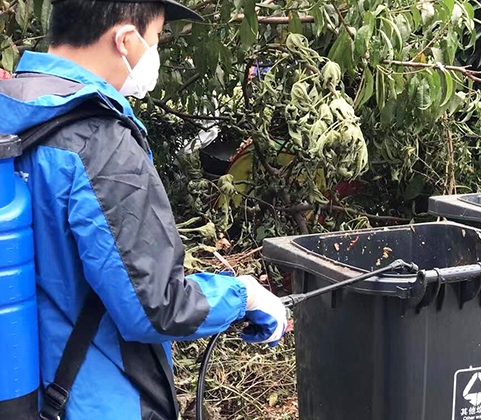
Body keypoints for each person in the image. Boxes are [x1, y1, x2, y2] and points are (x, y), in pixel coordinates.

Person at [0, 1, 287, 419]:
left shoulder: (13, 115)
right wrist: (245, 296)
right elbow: (156, 305)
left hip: (25, 393)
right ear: (125, 40)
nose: (155, 51)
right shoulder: (100, 144)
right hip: (95, 402)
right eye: (156, 39)